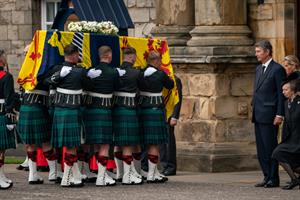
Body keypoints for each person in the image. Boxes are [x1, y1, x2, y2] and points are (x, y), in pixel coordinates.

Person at [18, 46, 61, 184]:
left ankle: (33, 174)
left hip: (25, 107)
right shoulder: (43, 69)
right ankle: (53, 174)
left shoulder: (25, 69)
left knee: (30, 143)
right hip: (38, 107)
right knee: (46, 142)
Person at [47, 44, 86, 187]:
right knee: (71, 146)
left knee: (71, 146)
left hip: (60, 110)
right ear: (75, 55)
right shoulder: (79, 71)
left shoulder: (57, 69)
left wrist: (58, 76)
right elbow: (89, 85)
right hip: (71, 110)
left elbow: (46, 81)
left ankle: (76, 177)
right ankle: (66, 179)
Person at [252, 40, 286, 188]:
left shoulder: (277, 69)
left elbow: (280, 94)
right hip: (258, 114)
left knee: (270, 147)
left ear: (267, 52)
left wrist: (280, 114)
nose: (256, 54)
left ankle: (274, 178)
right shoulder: (258, 69)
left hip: (270, 115)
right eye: (256, 51)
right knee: (261, 149)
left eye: (258, 51)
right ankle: (266, 176)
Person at [83, 45, 118, 186]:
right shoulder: (113, 72)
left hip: (91, 110)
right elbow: (117, 87)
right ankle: (101, 177)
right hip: (104, 110)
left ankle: (99, 173)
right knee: (104, 144)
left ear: (99, 56)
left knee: (97, 144)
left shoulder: (91, 71)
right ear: (109, 55)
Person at [138, 50, 174, 183]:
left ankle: (150, 171)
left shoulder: (140, 73)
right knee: (154, 143)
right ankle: (152, 174)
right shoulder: (160, 74)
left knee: (144, 142)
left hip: (142, 110)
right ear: (157, 61)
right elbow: (170, 85)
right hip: (155, 110)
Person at [113, 47, 143, 185]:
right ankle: (129, 174)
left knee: (118, 143)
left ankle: (120, 173)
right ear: (132, 57)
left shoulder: (114, 72)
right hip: (130, 110)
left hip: (115, 109)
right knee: (129, 144)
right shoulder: (136, 72)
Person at [272, 79, 300, 190]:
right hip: (291, 138)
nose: (283, 92)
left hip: (298, 138)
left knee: (278, 153)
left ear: (293, 90)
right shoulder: (286, 103)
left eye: (286, 89)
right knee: (278, 154)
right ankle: (295, 179)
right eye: (282, 90)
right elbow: (287, 123)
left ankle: (294, 180)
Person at [0, 49, 16, 189]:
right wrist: (11, 117)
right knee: (0, 149)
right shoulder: (6, 76)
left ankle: (1, 175)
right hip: (2, 114)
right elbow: (9, 99)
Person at [160, 75, 182, 176]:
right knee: (162, 142)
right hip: (160, 112)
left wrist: (175, 116)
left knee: (169, 141)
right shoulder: (159, 77)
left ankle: (171, 166)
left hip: (169, 114)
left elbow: (178, 99)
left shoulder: (175, 80)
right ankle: (164, 165)